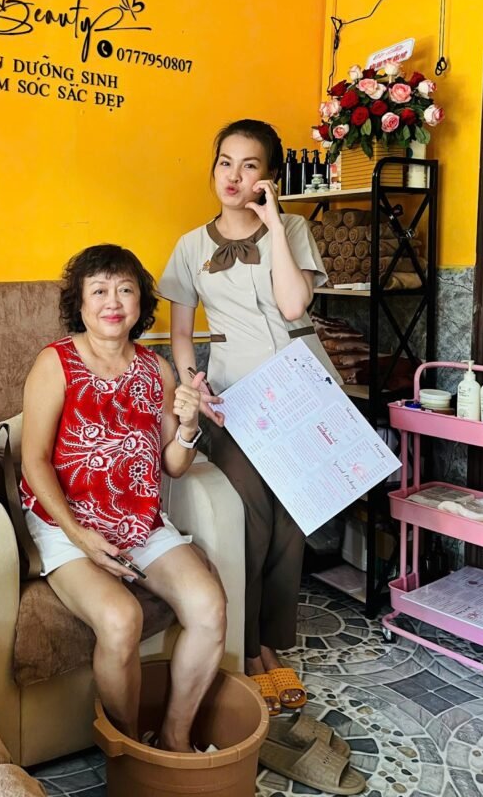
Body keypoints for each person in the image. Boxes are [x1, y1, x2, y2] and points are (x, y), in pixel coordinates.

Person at [159, 119, 341, 716]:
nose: (234, 176)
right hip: (235, 395)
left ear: (270, 176)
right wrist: (193, 382)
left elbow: (293, 305)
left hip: (302, 387)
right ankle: (245, 644)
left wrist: (275, 226)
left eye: (250, 165)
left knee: (292, 524)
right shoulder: (191, 246)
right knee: (252, 521)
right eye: (225, 162)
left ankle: (269, 645)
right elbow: (181, 333)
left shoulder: (293, 228)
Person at [20, 244, 227, 752]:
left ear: (140, 303)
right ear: (81, 303)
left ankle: (173, 741)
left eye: (125, 290)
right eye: (99, 291)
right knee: (121, 618)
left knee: (209, 607)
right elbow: (34, 461)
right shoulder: (55, 363)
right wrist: (79, 536)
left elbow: (173, 465)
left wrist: (189, 426)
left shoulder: (158, 370)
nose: (112, 302)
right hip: (67, 524)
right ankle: (131, 750)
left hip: (140, 521)